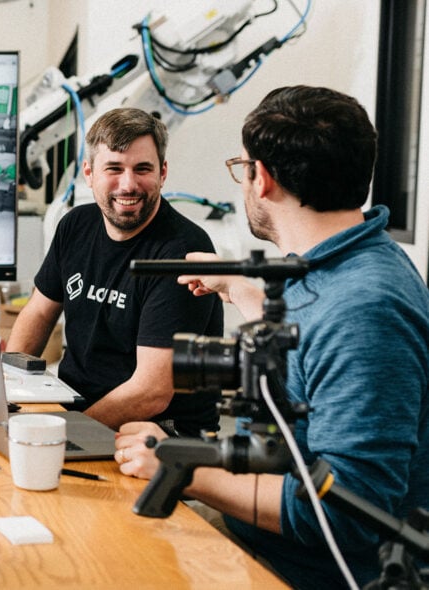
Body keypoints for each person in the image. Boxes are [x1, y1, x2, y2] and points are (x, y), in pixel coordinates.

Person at [115, 86, 429, 589]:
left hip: (298, 570)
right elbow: (311, 345)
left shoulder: (367, 309)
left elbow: (345, 513)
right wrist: (238, 288)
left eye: (241, 168)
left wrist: (181, 467)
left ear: (261, 179)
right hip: (261, 539)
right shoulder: (335, 263)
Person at [6, 107, 223, 436]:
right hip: (76, 407)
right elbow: (37, 312)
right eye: (114, 168)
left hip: (158, 430)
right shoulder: (75, 225)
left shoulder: (183, 250)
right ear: (89, 173)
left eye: (142, 169)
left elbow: (151, 393)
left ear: (163, 173)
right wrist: (8, 388)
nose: (129, 184)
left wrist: (70, 433)